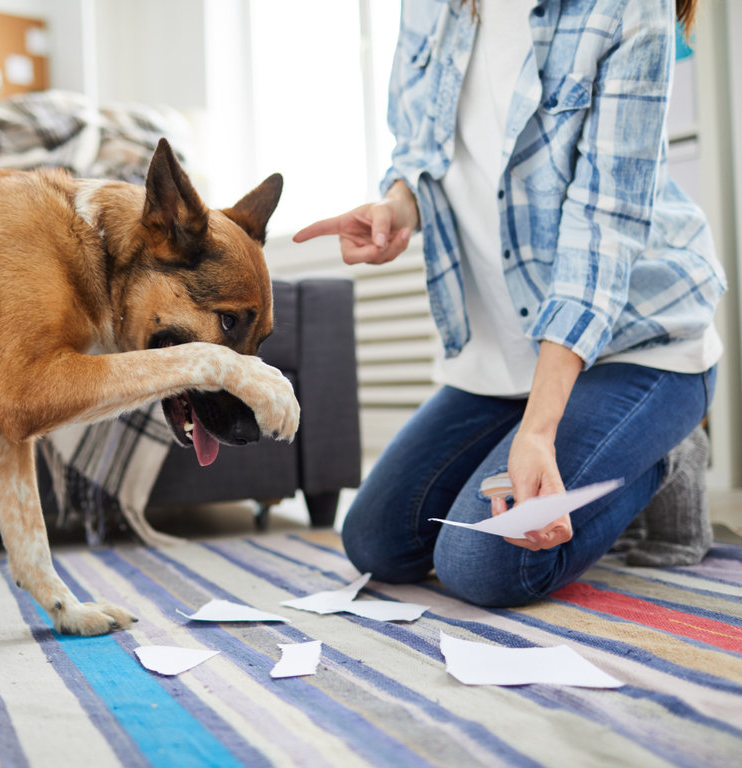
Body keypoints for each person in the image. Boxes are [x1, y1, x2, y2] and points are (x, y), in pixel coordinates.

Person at [294, 0, 724, 607]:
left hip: (639, 344)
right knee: (377, 543)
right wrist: (397, 205)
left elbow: (602, 230)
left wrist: (540, 431)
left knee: (484, 564)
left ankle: (663, 454)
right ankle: (583, 440)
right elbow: (421, 150)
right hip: (506, 358)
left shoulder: (628, 10)